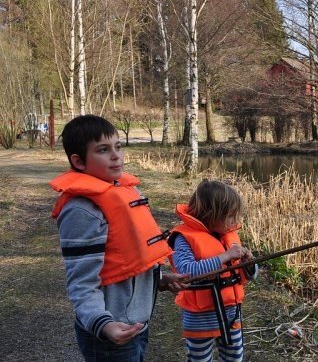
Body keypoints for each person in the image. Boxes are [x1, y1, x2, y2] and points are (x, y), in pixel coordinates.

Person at [50, 114, 186, 361]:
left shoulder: (124, 190)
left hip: (135, 325)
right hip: (110, 334)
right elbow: (81, 283)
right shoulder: (82, 211)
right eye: (103, 150)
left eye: (118, 147)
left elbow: (124, 259)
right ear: (78, 161)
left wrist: (159, 279)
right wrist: (103, 324)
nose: (116, 156)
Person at [168, 180, 258, 362]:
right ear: (211, 213)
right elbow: (187, 272)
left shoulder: (228, 236)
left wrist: (248, 264)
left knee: (234, 357)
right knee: (199, 359)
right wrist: (224, 257)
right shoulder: (183, 238)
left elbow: (251, 275)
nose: (235, 221)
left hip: (231, 315)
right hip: (200, 318)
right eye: (231, 216)